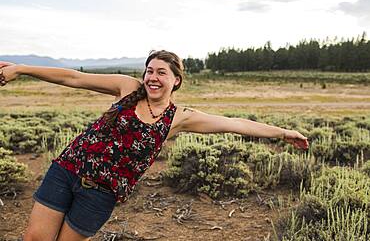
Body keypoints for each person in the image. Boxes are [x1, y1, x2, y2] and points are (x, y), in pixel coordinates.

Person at [0, 50, 309, 241]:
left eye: (161, 72)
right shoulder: (127, 87)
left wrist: (281, 132)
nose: (153, 77)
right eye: (149, 70)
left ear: (176, 80)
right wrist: (23, 68)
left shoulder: (180, 118)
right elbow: (73, 78)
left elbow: (236, 124)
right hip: (66, 171)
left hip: (102, 194)